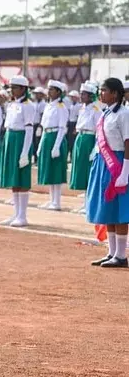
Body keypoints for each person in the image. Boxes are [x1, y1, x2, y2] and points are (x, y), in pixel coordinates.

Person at [86, 78, 129, 268]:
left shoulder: (124, 114)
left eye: (104, 90)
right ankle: (111, 252)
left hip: (118, 163)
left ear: (115, 93)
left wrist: (125, 171)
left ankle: (121, 255)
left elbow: (128, 142)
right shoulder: (105, 113)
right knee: (108, 208)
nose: (101, 93)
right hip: (103, 162)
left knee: (120, 209)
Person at [0, 76, 36, 227]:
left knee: (22, 178)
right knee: (13, 177)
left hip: (20, 140)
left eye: (15, 87)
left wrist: (25, 152)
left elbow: (28, 129)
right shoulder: (12, 104)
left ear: (23, 89)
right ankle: (15, 213)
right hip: (10, 138)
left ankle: (22, 215)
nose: (12, 90)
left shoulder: (28, 106)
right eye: (11, 87)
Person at [37, 80, 70, 211]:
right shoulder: (48, 106)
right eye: (48, 89)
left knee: (56, 171)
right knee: (49, 170)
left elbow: (62, 128)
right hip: (47, 136)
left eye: (52, 89)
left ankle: (57, 201)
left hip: (56, 137)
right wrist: (40, 144)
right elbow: (44, 125)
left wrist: (56, 146)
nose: (49, 91)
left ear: (58, 92)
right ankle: (51, 200)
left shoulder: (61, 107)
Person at [71, 82, 102, 214]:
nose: (81, 96)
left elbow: (99, 131)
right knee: (81, 171)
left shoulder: (96, 110)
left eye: (84, 94)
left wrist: (95, 148)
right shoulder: (82, 108)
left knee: (88, 172)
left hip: (89, 139)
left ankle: (89, 204)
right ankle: (85, 203)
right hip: (80, 138)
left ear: (91, 96)